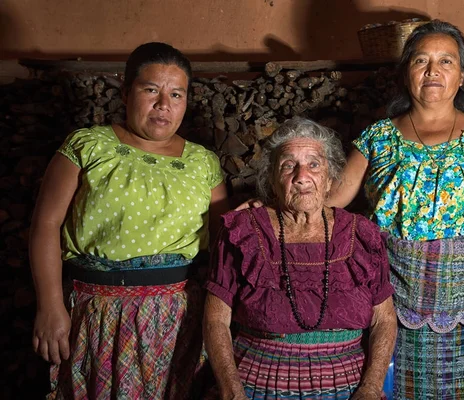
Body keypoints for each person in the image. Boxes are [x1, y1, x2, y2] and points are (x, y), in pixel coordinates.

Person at [327, 20, 464, 399]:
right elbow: (333, 198)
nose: (433, 71)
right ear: (406, 72)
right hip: (403, 300)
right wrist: (275, 204)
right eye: (421, 60)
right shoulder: (379, 138)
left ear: (461, 75)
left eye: (445, 61)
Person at [29, 42, 228, 399]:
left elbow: (225, 242)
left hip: (176, 319)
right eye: (151, 89)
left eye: (176, 94)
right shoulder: (88, 146)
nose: (163, 104)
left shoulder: (203, 163)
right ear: (125, 91)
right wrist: (50, 305)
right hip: (96, 314)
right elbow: (45, 225)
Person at [203, 116, 397, 399]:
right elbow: (216, 319)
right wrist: (232, 390)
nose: (301, 175)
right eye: (288, 165)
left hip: (348, 388)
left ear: (330, 178)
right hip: (256, 385)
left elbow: (385, 320)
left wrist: (370, 387)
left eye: (314, 164)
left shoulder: (362, 235)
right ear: (272, 179)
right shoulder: (243, 231)